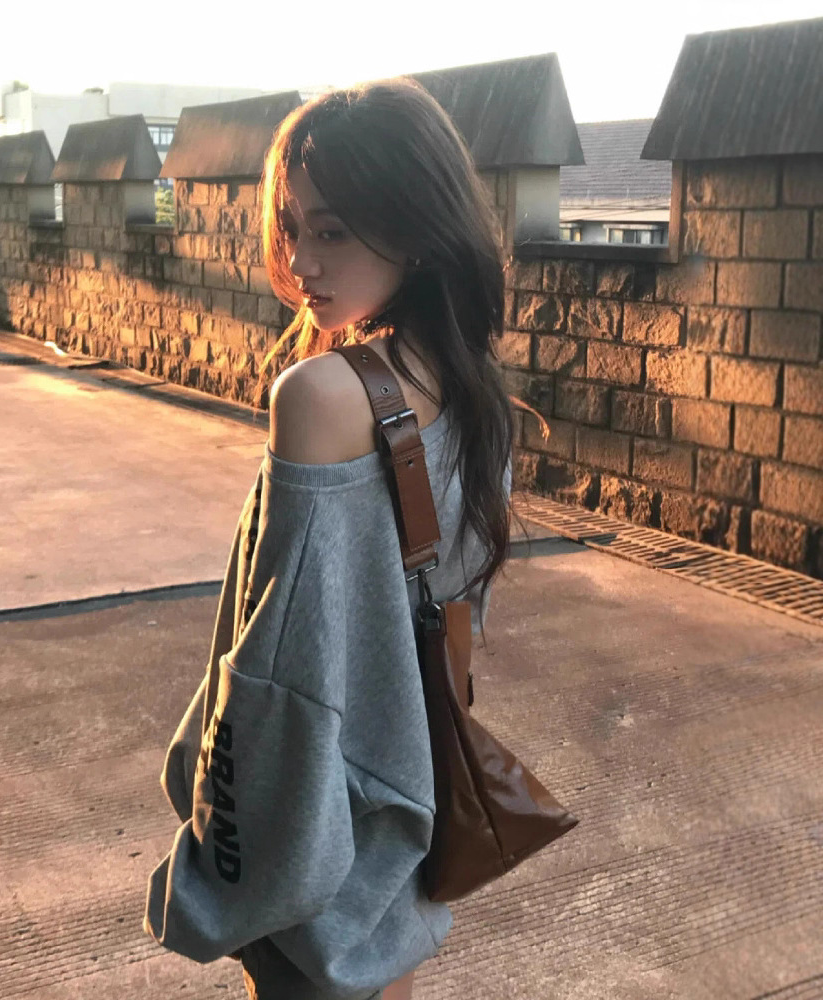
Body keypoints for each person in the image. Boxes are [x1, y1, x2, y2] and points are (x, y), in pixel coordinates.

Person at [143, 78, 514, 1000]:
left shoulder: (319, 396)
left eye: (334, 231)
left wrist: (215, 854)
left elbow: (280, 687)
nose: (301, 262)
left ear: (416, 229)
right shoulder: (477, 389)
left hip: (319, 841)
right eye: (292, 227)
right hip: (411, 815)